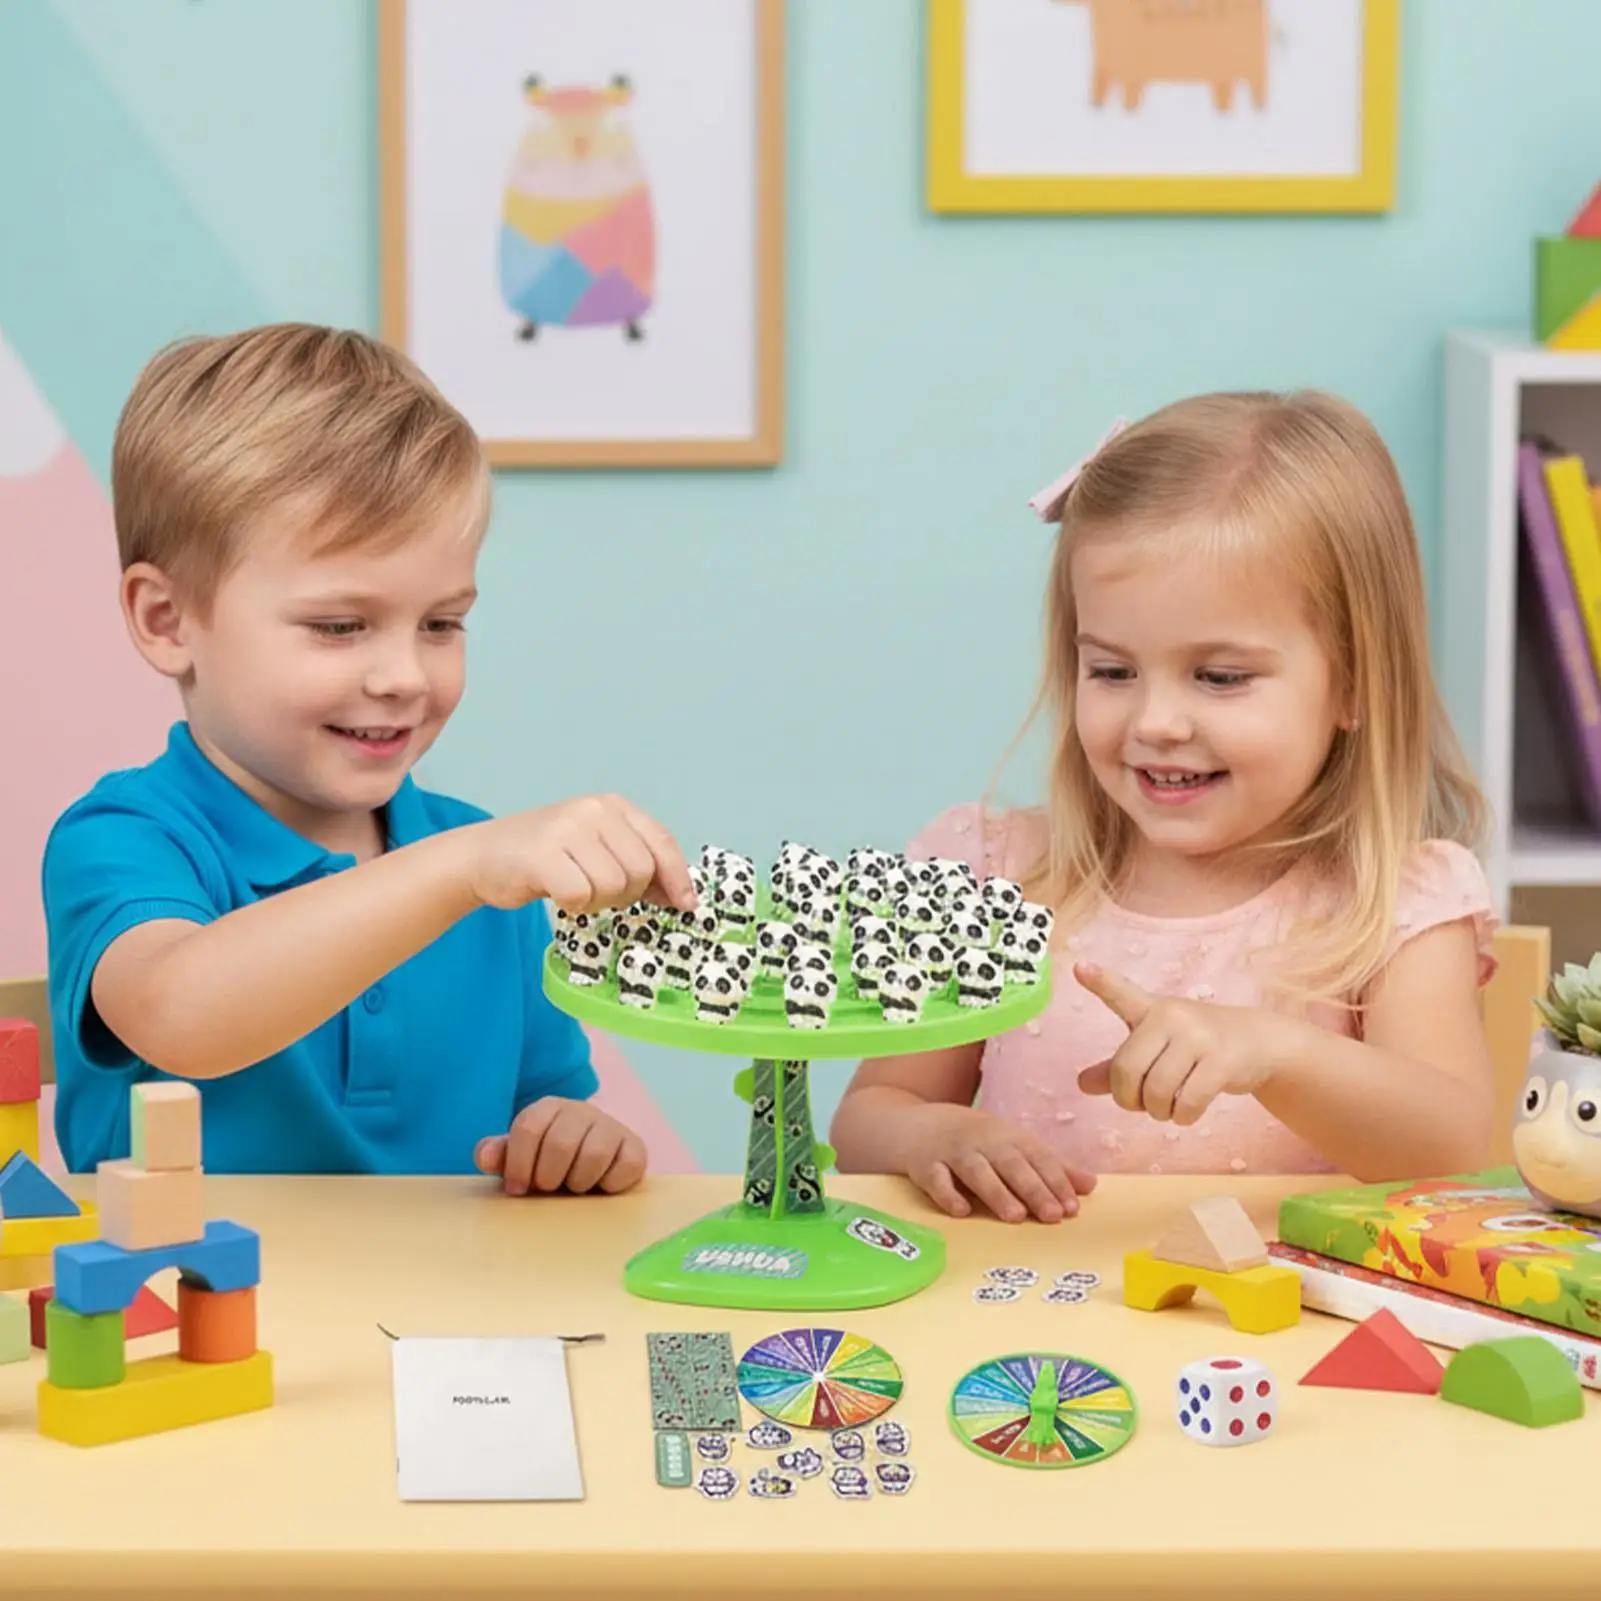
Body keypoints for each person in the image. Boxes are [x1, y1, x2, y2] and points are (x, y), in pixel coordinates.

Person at [43, 323, 694, 1191]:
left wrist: (575, 1139)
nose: (402, 677)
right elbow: (179, 1011)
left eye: (441, 624)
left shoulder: (485, 874)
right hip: (187, 1317)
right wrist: (458, 867)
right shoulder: (128, 838)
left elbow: (547, 1109)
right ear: (167, 620)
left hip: (440, 1316)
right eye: (339, 626)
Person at [831, 391, 1498, 1223]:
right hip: (1033, 1339)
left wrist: (1274, 1052)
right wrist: (929, 1136)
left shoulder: (1397, 901)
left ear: (1353, 684)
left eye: (1219, 678)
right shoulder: (994, 875)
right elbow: (867, 1117)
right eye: (1111, 671)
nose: (1155, 723)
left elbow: (1455, 1150)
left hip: (1277, 1340)